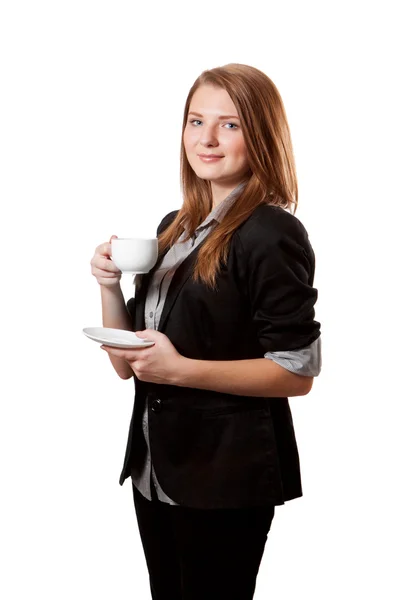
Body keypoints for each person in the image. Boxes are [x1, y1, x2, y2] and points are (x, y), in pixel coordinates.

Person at [90, 63, 322, 600]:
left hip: (224, 473)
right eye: (196, 121)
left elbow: (297, 371)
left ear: (261, 134)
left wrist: (181, 370)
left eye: (230, 124)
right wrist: (107, 286)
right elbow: (126, 363)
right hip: (156, 467)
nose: (207, 139)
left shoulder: (270, 232)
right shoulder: (174, 226)